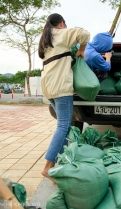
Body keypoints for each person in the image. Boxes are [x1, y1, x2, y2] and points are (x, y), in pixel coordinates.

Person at [38, 13, 90, 183]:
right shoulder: (61, 33)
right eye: (64, 24)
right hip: (60, 87)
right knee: (62, 127)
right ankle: (47, 167)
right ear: (61, 23)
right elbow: (85, 34)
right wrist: (82, 50)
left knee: (64, 127)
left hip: (48, 86)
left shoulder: (46, 39)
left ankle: (59, 165)